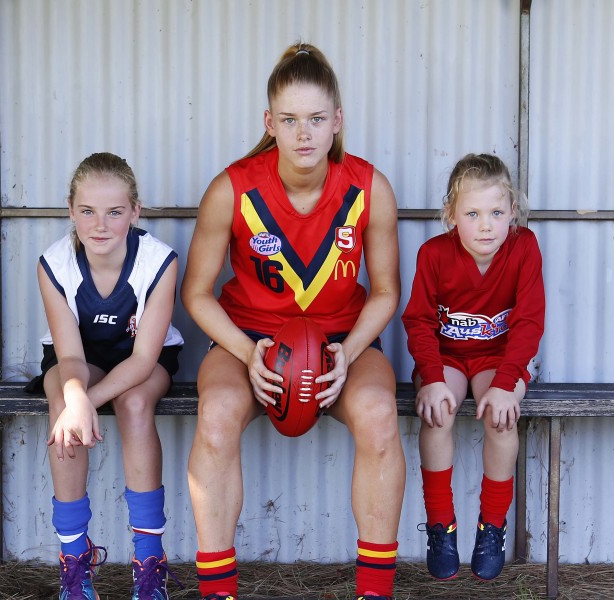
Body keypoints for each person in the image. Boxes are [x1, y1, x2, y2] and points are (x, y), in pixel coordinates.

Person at [181, 43, 405, 600]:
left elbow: (384, 293)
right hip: (248, 342)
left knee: (379, 415)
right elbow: (197, 293)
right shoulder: (231, 188)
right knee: (217, 415)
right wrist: (246, 352)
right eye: (289, 120)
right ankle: (218, 591)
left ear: (337, 122)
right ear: (269, 123)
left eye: (315, 119)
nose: (303, 133)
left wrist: (348, 354)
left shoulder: (369, 189)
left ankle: (374, 591)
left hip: (341, 341)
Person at [29, 152, 184, 600]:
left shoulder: (158, 261)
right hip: (79, 356)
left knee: (134, 403)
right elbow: (71, 358)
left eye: (115, 212)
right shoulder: (54, 263)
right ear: (71, 209)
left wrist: (87, 402)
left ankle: (149, 562)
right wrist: (76, 397)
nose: (100, 225)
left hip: (143, 358)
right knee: (61, 404)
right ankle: (75, 566)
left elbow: (141, 361)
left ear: (135, 211)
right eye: (87, 211)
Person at [401, 153, 545, 581]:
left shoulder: (524, 247)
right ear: (451, 216)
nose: (486, 225)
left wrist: (505, 384)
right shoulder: (433, 254)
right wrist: (429, 376)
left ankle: (492, 525)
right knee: (439, 411)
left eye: (497, 212)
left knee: (502, 419)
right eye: (473, 213)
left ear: (512, 213)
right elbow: (419, 320)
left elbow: (529, 321)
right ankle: (441, 525)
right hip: (445, 357)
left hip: (499, 360)